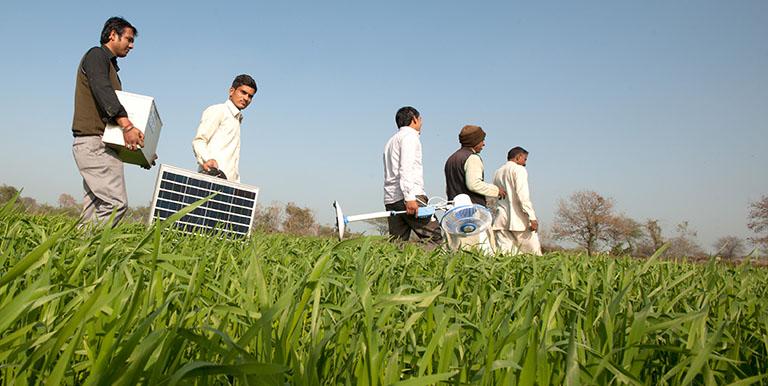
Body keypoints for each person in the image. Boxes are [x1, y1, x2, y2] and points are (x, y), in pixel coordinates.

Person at [71, 17, 143, 226]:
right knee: (115, 204)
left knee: (95, 207)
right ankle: (94, 250)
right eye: (128, 39)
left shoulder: (111, 67)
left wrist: (142, 151)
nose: (131, 45)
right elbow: (104, 92)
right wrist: (128, 126)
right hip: (93, 143)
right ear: (113, 34)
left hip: (101, 144)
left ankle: (78, 253)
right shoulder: (96, 55)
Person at [382, 106, 442, 243]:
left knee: (397, 244)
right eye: (420, 119)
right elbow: (406, 168)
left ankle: (400, 264)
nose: (421, 123)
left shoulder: (391, 141)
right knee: (434, 238)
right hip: (409, 197)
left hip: (391, 199)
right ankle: (423, 264)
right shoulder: (410, 137)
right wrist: (409, 198)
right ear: (414, 119)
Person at [443, 125, 506, 253]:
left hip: (453, 213)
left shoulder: (451, 159)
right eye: (482, 140)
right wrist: (496, 191)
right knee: (480, 252)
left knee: (457, 251)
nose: (483, 144)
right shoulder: (472, 158)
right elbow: (474, 184)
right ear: (474, 141)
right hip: (471, 213)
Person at [192, 74, 257, 183]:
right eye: (243, 92)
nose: (246, 98)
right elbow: (199, 141)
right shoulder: (218, 110)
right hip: (210, 180)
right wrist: (207, 160)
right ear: (232, 91)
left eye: (250, 96)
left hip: (227, 186)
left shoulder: (237, 120)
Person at [492, 146, 542, 255]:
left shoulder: (497, 172)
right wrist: (532, 217)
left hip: (501, 219)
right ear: (518, 157)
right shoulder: (519, 169)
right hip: (519, 219)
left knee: (505, 256)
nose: (525, 163)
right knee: (534, 256)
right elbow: (522, 195)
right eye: (524, 159)